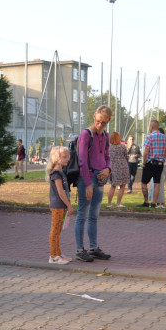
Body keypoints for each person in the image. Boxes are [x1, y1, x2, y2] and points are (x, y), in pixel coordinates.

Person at [71, 106, 113, 262]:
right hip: (87, 178)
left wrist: (108, 169)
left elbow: (107, 156)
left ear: (108, 121)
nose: (100, 125)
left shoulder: (105, 136)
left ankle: (93, 248)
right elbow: (82, 160)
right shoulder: (85, 134)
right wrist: (88, 184)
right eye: (98, 121)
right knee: (82, 214)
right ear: (94, 116)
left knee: (94, 215)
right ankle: (79, 249)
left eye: (103, 122)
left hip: (101, 177)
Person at [46, 146, 74, 264]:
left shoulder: (60, 172)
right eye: (64, 157)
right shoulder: (56, 173)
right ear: (57, 158)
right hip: (58, 206)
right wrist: (69, 205)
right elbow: (61, 193)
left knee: (58, 231)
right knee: (55, 230)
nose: (67, 159)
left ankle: (58, 253)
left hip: (61, 206)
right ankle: (53, 256)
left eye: (68, 156)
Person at [140, 120, 166, 208]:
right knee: (157, 183)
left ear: (151, 127)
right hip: (160, 163)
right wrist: (162, 159)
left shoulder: (149, 137)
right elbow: (165, 152)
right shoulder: (164, 137)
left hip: (150, 162)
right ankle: (154, 203)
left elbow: (146, 152)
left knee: (144, 182)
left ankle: (146, 201)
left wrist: (144, 162)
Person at [106, 131, 130, 208]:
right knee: (122, 186)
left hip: (113, 168)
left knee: (113, 186)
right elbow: (126, 156)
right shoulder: (122, 147)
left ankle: (109, 203)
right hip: (123, 168)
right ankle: (118, 203)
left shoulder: (108, 147)